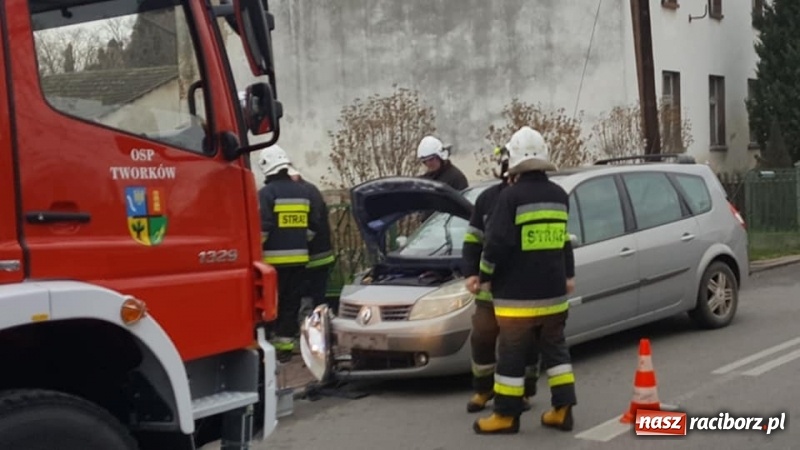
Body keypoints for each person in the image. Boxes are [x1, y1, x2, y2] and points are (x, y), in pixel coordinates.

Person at [472, 126, 577, 435]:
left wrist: (485, 276)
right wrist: (568, 275)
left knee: (511, 355)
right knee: (556, 353)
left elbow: (497, 242)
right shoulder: (559, 195)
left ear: (514, 161)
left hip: (517, 299)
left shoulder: (510, 197)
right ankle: (562, 409)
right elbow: (563, 242)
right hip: (554, 296)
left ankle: (505, 415)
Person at [462, 146, 541, 414]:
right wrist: (472, 273)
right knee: (482, 334)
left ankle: (525, 391)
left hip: (520, 286)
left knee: (524, 341)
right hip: (490, 286)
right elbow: (473, 239)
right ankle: (483, 389)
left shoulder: (528, 197)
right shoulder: (487, 199)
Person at [257, 145, 320, 360]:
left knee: (272, 302)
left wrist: (257, 250)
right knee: (292, 303)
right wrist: (301, 242)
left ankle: (268, 345)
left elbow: (263, 227)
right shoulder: (303, 192)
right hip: (300, 259)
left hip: (273, 262)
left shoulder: (267, 193)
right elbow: (313, 225)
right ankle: (285, 349)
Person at [288, 165, 337, 323]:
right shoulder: (312, 190)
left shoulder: (304, 192)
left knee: (309, 294)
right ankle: (321, 324)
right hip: (320, 254)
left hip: (313, 255)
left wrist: (299, 242)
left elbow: (313, 223)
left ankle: (313, 326)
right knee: (317, 295)